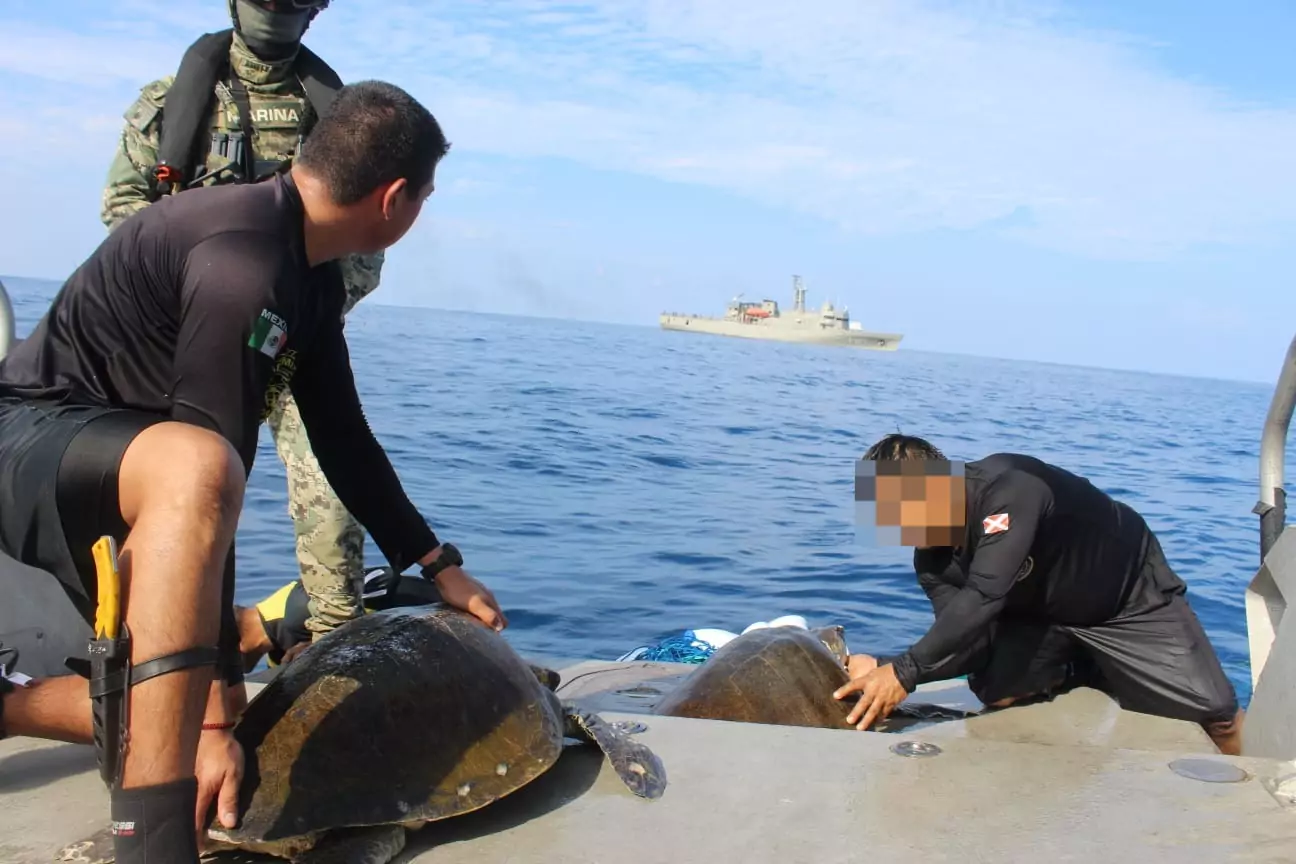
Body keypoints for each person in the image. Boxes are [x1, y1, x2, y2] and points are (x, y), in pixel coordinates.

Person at [0, 79, 506, 864]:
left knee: (156, 718)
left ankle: (9, 708)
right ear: (396, 197)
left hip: (121, 474)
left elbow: (345, 441)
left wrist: (438, 565)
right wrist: (210, 720)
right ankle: (154, 844)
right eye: (426, 198)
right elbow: (208, 485)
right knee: (202, 476)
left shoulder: (307, 273)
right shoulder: (241, 258)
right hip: (31, 446)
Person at [101, 0, 379, 644]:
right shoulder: (172, 104)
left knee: (334, 502)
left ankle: (334, 643)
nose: (277, 10)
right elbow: (125, 214)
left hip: (283, 339)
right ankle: (146, 646)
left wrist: (306, 311)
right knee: (172, 500)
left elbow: (364, 245)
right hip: (177, 345)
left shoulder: (336, 123)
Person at [836, 433, 1244, 755]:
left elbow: (985, 595)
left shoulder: (1011, 490)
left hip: (1123, 597)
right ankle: (1077, 670)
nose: (906, 527)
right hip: (1036, 611)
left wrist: (903, 673)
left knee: (1215, 713)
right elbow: (970, 646)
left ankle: (1249, 804)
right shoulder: (932, 561)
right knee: (999, 692)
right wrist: (884, 667)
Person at [238, 566, 444, 671]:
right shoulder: (276, 653)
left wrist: (329, 641)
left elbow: (389, 582)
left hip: (436, 617)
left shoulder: (297, 608)